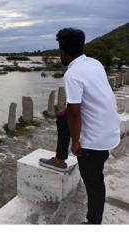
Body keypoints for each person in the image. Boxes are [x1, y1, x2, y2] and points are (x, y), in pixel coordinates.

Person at [39, 28, 120, 224]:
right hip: (110, 129)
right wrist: (66, 113)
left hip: (96, 140)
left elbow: (76, 112)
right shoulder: (94, 63)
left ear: (62, 52)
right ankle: (60, 159)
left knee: (93, 182)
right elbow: (86, 101)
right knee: (63, 117)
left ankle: (93, 222)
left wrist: (76, 142)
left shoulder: (72, 73)